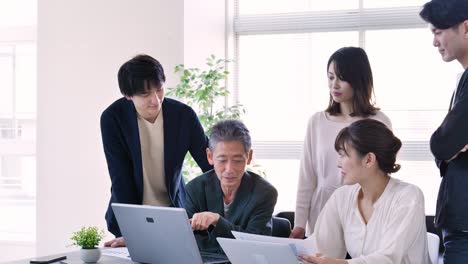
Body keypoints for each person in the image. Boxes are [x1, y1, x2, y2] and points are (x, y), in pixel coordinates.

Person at [100, 54, 212, 246]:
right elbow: (120, 178)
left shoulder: (183, 115)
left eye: (159, 89)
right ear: (128, 95)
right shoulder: (113, 118)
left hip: (174, 213)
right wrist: (133, 231)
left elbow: (210, 165)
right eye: (145, 94)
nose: (155, 100)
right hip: (130, 215)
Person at [291, 47, 392, 239]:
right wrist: (299, 224)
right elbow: (307, 178)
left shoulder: (379, 121)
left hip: (365, 212)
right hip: (322, 211)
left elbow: (383, 177)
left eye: (342, 78)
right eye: (330, 77)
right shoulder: (317, 122)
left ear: (358, 79)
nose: (334, 85)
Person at [299, 119, 431, 264]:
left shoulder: (408, 197)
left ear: (368, 159)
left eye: (343, 155)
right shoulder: (341, 197)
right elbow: (321, 249)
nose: (338, 163)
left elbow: (390, 258)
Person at [420, 0, 468, 262]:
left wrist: (448, 147)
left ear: (465, 28)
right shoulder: (462, 79)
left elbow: (442, 143)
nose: (435, 42)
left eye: (438, 32)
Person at [184, 119, 278, 253]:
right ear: (210, 157)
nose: (229, 169)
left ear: (249, 157)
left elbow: (255, 246)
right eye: (222, 160)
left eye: (237, 160)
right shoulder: (194, 189)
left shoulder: (264, 193)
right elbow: (189, 243)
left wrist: (217, 220)